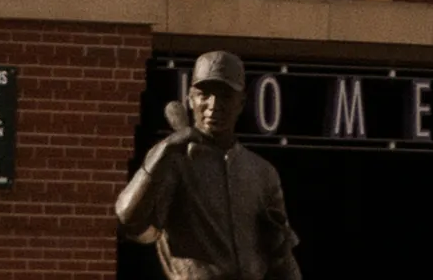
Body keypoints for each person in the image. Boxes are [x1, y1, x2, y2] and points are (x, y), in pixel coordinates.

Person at [119, 47, 302, 280]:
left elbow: (282, 260)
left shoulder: (262, 173)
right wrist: (163, 153)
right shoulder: (173, 159)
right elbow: (130, 221)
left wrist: (279, 246)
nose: (213, 105)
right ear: (190, 99)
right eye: (204, 94)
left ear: (241, 102)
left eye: (225, 95)